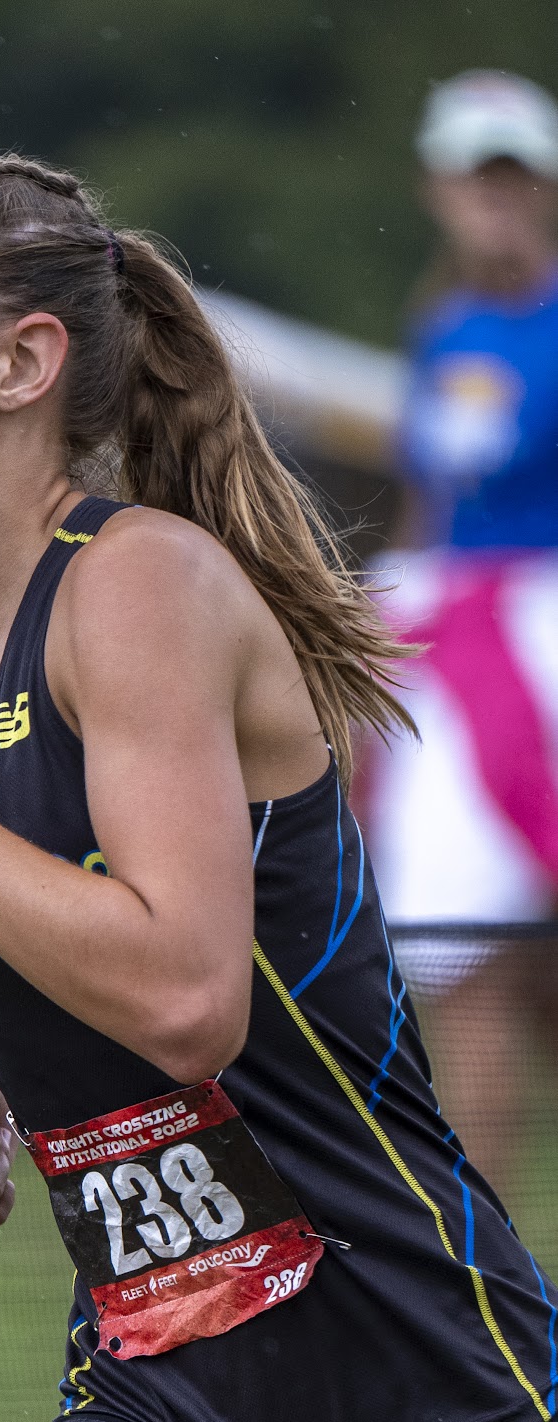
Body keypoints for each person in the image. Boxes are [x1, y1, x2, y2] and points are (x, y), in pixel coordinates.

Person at [0, 147, 558, 1420]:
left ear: (22, 363)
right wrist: (2, 1074)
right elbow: (92, 932)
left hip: (404, 1361)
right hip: (150, 1361)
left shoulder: (135, 585)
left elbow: (186, 999)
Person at [364, 70, 558, 1196]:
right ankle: (489, 1273)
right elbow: (430, 502)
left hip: (540, 642)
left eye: (511, 174)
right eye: (473, 175)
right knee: (469, 957)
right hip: (457, 645)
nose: (493, 196)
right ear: (438, 187)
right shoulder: (444, 327)